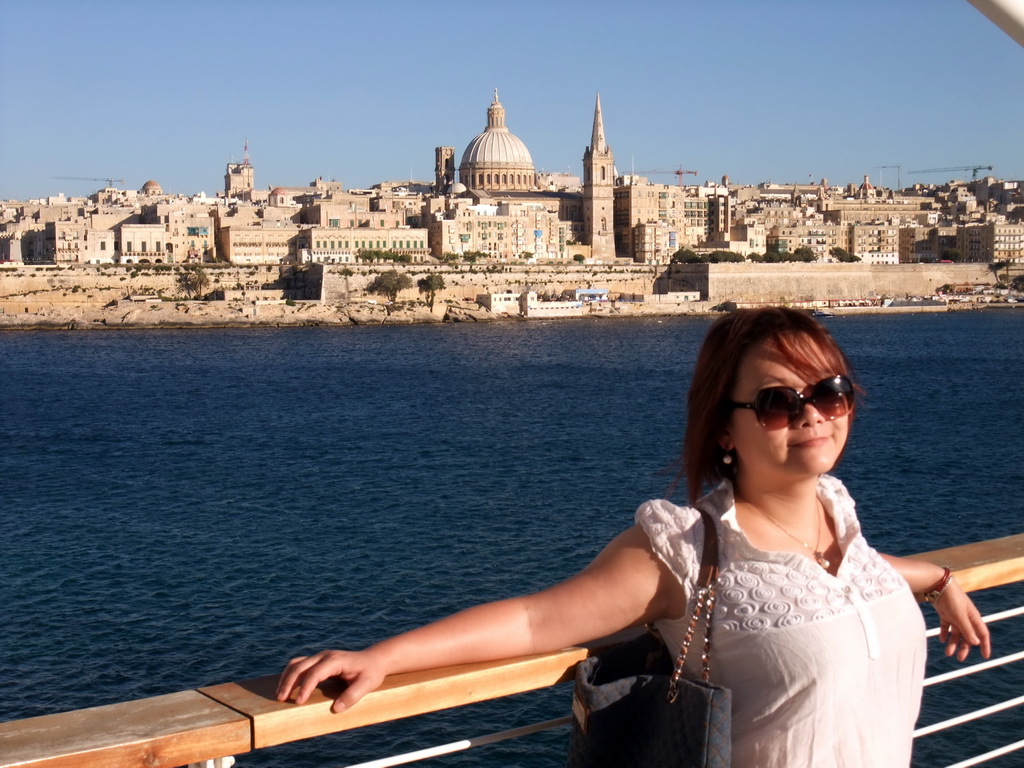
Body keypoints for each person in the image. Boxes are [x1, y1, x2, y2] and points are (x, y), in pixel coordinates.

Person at [278, 307, 990, 767]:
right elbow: (537, 618)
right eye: (779, 401)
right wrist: (384, 656)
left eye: (830, 391)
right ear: (724, 428)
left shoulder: (838, 514)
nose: (813, 414)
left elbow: (854, 578)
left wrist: (941, 580)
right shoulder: (688, 548)